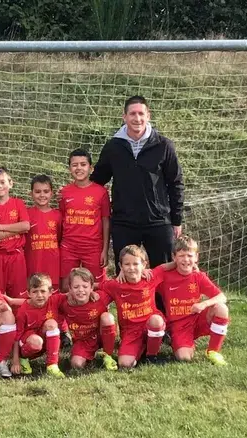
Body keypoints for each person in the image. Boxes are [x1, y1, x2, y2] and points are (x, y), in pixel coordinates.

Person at [90, 95, 184, 275]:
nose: (137, 118)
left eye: (141, 113)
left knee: (162, 274)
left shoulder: (164, 145)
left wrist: (176, 219)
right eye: (132, 113)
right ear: (124, 117)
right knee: (126, 274)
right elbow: (98, 180)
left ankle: (161, 305)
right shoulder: (113, 147)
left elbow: (176, 183)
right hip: (124, 222)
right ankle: (129, 305)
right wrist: (76, 190)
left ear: (148, 115)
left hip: (158, 221)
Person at [158, 235, 229, 365]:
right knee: (184, 358)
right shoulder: (165, 277)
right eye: (181, 256)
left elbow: (222, 297)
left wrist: (204, 304)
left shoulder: (198, 276)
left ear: (196, 257)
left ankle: (213, 351)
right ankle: (183, 342)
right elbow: (146, 277)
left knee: (221, 308)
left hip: (197, 319)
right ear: (174, 257)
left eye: (190, 256)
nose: (186, 260)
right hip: (178, 326)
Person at [100, 245, 168, 368]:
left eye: (136, 264)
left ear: (144, 264)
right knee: (125, 364)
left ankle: (151, 356)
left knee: (156, 320)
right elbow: (97, 285)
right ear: (120, 266)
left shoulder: (150, 276)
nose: (131, 268)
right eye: (127, 264)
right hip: (131, 331)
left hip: (150, 324)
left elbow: (166, 266)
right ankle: (142, 347)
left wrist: (193, 266)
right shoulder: (116, 285)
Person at [24, 174, 71, 347]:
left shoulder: (58, 215)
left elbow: (59, 239)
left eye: (45, 191)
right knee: (35, 297)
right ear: (31, 194)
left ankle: (63, 330)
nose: (42, 195)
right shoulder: (26, 214)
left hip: (53, 264)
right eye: (37, 192)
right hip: (33, 264)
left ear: (51, 193)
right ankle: (32, 330)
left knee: (55, 299)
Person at [59, 148, 110, 291]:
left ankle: (97, 313)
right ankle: (68, 313)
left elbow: (105, 221)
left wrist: (104, 250)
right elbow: (62, 219)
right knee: (66, 287)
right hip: (69, 247)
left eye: (83, 164)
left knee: (96, 288)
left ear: (91, 168)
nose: (79, 168)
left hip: (93, 248)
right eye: (75, 165)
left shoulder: (101, 192)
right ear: (69, 168)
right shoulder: (64, 192)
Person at [0, 167, 30, 299]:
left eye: (2, 182)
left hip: (17, 256)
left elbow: (26, 226)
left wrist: (3, 227)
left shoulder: (18, 203)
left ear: (10, 183)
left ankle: (18, 320)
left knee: (19, 295)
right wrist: (17, 229)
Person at [59, 268, 117, 371]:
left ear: (91, 288)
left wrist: (142, 271)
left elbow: (117, 286)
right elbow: (46, 302)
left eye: (85, 286)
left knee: (108, 318)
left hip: (101, 336)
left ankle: (108, 355)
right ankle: (89, 353)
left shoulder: (100, 297)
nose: (81, 290)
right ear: (70, 289)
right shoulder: (64, 303)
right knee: (76, 365)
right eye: (76, 287)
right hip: (83, 341)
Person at [11, 273, 65, 378]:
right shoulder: (23, 310)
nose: (39, 295)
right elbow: (16, 337)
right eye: (35, 292)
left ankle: (52, 365)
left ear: (50, 292)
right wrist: (15, 361)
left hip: (43, 339)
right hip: (29, 342)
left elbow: (71, 295)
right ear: (29, 293)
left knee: (52, 324)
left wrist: (91, 293)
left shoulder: (54, 300)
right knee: (36, 342)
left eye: (43, 291)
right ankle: (23, 359)